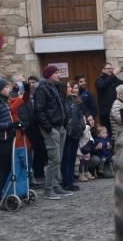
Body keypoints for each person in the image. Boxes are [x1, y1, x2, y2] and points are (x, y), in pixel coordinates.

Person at [33, 65, 71, 200]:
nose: (59, 75)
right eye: (56, 73)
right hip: (52, 128)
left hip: (60, 127)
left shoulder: (54, 87)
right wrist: (48, 128)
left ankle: (55, 185)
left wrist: (64, 124)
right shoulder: (42, 89)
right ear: (49, 75)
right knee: (54, 159)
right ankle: (48, 189)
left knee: (58, 159)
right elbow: (39, 110)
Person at [61, 82, 86, 192]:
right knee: (66, 158)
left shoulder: (74, 99)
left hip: (76, 132)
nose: (70, 88)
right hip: (67, 133)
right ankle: (66, 182)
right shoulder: (61, 101)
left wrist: (82, 126)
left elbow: (80, 114)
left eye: (70, 86)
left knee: (71, 158)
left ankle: (70, 180)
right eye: (68, 87)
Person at [95, 63, 123, 135]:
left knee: (116, 133)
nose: (110, 70)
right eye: (108, 69)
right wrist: (114, 73)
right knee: (107, 134)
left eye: (111, 69)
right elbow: (102, 86)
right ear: (103, 70)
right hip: (105, 113)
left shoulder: (114, 78)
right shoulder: (99, 80)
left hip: (115, 110)